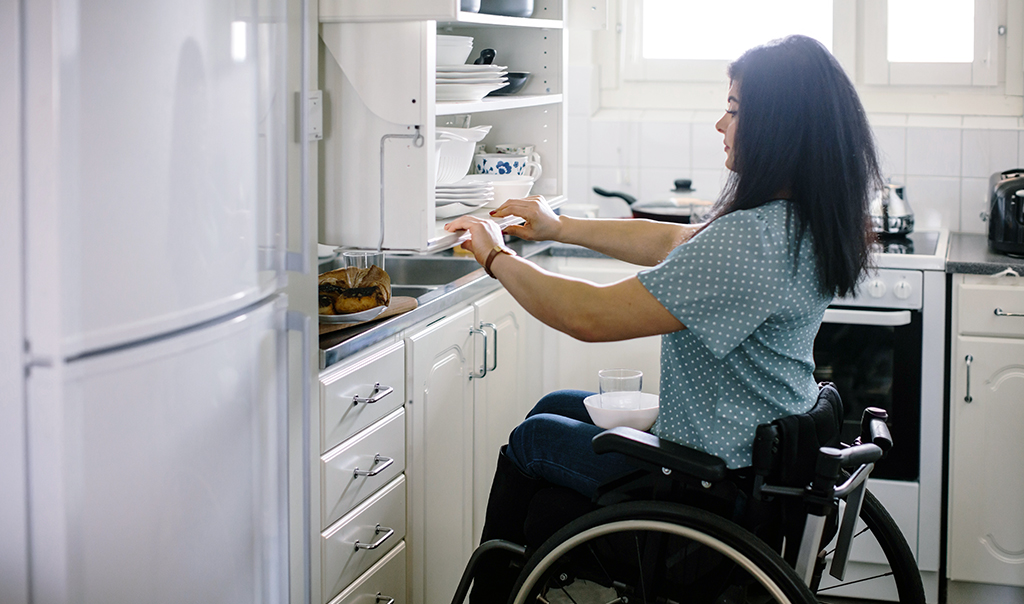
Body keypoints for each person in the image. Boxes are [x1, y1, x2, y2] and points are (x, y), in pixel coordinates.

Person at [444, 34, 881, 602]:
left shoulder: (749, 241)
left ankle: (499, 588)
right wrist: (559, 226)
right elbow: (678, 241)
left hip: (707, 484)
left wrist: (493, 256)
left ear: (778, 126)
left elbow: (589, 316)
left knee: (533, 439)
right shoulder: (801, 221)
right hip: (753, 454)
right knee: (554, 408)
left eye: (733, 110)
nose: (720, 125)